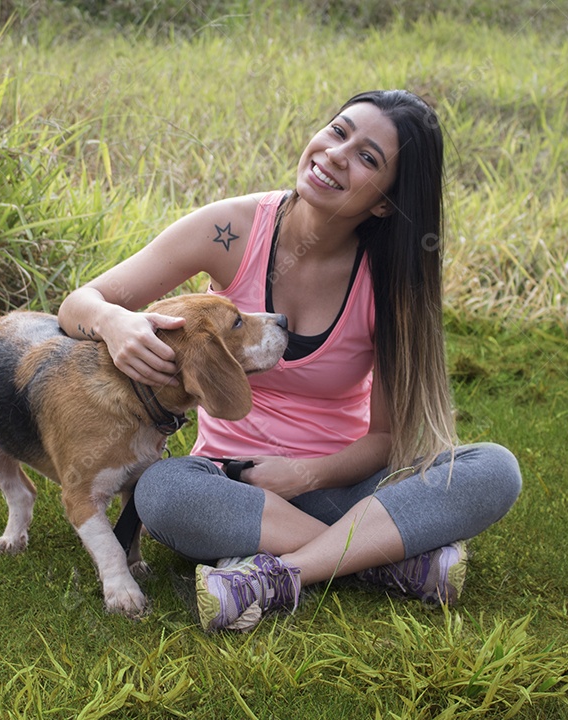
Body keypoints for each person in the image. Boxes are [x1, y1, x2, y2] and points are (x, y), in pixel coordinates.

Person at [57, 90, 522, 632]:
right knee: (162, 492)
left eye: (367, 158)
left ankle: (279, 573)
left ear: (383, 204)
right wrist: (116, 325)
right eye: (338, 130)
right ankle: (388, 558)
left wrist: (307, 476)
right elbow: (78, 305)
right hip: (230, 487)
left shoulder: (391, 279)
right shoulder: (229, 231)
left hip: (348, 489)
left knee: (494, 470)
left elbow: (387, 438)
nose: (335, 154)